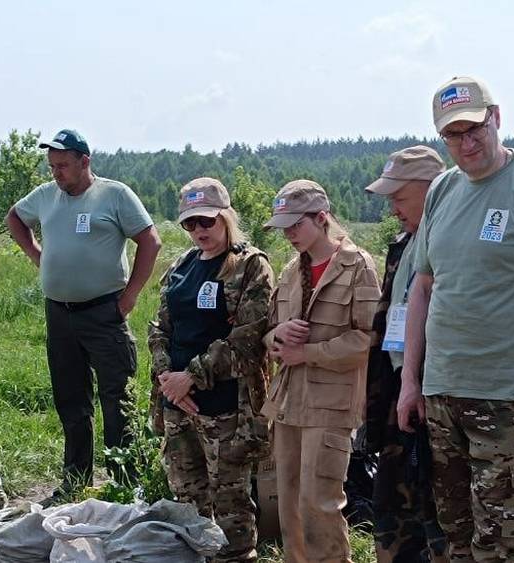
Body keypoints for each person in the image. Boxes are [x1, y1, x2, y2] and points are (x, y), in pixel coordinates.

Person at [397, 77, 514, 561]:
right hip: (443, 394)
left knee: (503, 544)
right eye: (453, 134)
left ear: (496, 118)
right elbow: (423, 288)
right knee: (455, 539)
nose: (466, 143)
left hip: (506, 397)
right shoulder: (442, 190)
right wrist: (410, 381)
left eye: (474, 129)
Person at [6, 129, 161, 498]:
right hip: (59, 313)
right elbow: (15, 218)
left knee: (117, 397)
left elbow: (150, 241)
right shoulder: (46, 195)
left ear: (84, 161)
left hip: (104, 311)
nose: (56, 173)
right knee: (71, 397)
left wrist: (130, 296)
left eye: (63, 165)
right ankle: (76, 479)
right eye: (52, 166)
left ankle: (125, 483)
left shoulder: (114, 194)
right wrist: (37, 256)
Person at [148, 177, 274, 562]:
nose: (199, 230)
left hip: (225, 406)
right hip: (178, 404)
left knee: (230, 503)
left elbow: (249, 339)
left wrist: (191, 377)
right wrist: (168, 378)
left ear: (226, 217)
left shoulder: (250, 265)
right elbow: (160, 327)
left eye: (207, 220)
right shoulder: (182, 265)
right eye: (190, 223)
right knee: (187, 500)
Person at [260, 179, 381, 563]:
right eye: (284, 226)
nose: (289, 234)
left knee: (319, 503)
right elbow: (269, 333)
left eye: (296, 224)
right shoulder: (290, 270)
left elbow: (368, 339)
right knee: (289, 504)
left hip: (331, 404)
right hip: (289, 402)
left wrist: (308, 353)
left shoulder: (357, 266)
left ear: (322, 218)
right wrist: (278, 336)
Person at [363, 145, 448, 563]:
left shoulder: (452, 242)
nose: (393, 209)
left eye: (399, 197)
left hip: (439, 391)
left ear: (431, 190)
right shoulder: (403, 244)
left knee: (440, 511)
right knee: (393, 507)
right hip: (399, 388)